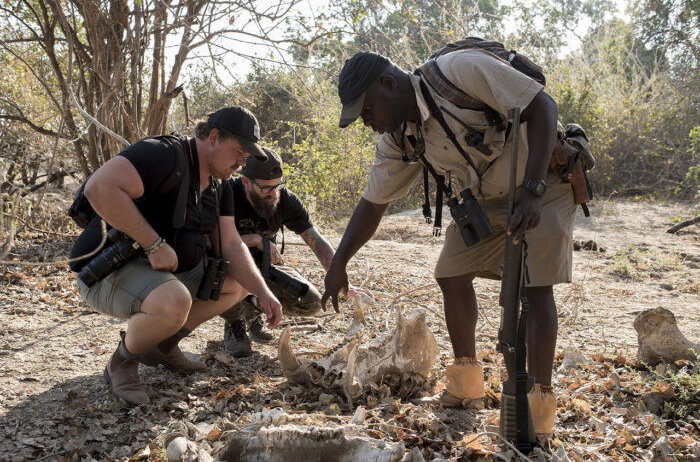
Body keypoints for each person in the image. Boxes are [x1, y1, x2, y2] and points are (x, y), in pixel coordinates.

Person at [323, 51, 584, 443]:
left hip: (541, 183)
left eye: (367, 110)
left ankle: (537, 411)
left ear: (389, 84)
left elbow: (543, 106)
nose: (368, 122)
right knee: (450, 274)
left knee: (534, 290)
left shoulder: (459, 72)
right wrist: (338, 262)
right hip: (484, 202)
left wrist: (533, 190)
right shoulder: (399, 138)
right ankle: (465, 385)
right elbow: (373, 204)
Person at [69, 107, 283, 406]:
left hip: (167, 276)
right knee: (174, 299)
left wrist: (264, 293)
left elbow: (231, 244)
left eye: (247, 157)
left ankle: (163, 347)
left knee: (239, 280)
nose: (241, 162)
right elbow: (99, 187)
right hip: (105, 272)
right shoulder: (163, 154)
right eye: (238, 152)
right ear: (213, 137)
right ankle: (122, 363)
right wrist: (153, 244)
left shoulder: (220, 184)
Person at [218, 147, 374, 357]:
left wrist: (341, 277)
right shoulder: (225, 192)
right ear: (246, 181)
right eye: (266, 188)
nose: (274, 193)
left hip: (265, 269)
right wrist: (256, 240)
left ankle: (252, 309)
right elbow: (214, 244)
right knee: (220, 267)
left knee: (309, 302)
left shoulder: (286, 200)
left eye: (277, 186)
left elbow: (316, 241)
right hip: (229, 266)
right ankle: (234, 323)